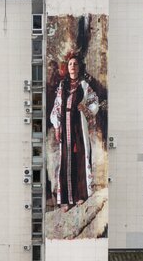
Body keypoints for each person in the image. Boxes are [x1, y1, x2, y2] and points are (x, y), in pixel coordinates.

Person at [50, 52, 99, 212]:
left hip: (78, 128)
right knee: (66, 161)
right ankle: (66, 199)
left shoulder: (84, 86)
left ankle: (79, 196)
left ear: (79, 67)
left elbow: (94, 102)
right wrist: (57, 126)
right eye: (70, 64)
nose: (73, 67)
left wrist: (85, 109)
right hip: (65, 128)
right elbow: (57, 106)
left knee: (79, 159)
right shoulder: (62, 86)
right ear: (67, 68)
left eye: (75, 64)